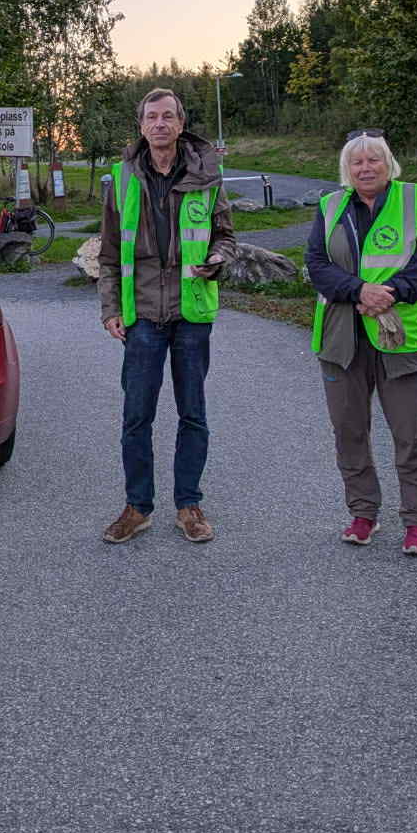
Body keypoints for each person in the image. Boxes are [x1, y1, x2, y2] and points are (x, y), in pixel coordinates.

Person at [97, 88, 237, 544]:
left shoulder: (207, 176)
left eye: (168, 116)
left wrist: (216, 259)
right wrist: (111, 308)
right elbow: (110, 254)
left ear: (181, 124)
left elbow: (226, 238)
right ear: (141, 127)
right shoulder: (120, 180)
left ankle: (189, 505)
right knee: (136, 416)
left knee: (192, 413)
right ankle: (137, 508)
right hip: (141, 319)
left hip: (192, 313)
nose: (160, 124)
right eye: (151, 117)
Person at [306, 131, 417, 554]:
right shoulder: (331, 206)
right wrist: (359, 289)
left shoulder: (415, 201)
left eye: (374, 160)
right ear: (347, 170)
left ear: (389, 164)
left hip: (399, 337)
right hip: (341, 337)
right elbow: (316, 264)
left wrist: (389, 292)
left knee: (410, 434)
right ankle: (363, 514)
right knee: (349, 431)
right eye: (357, 162)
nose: (366, 168)